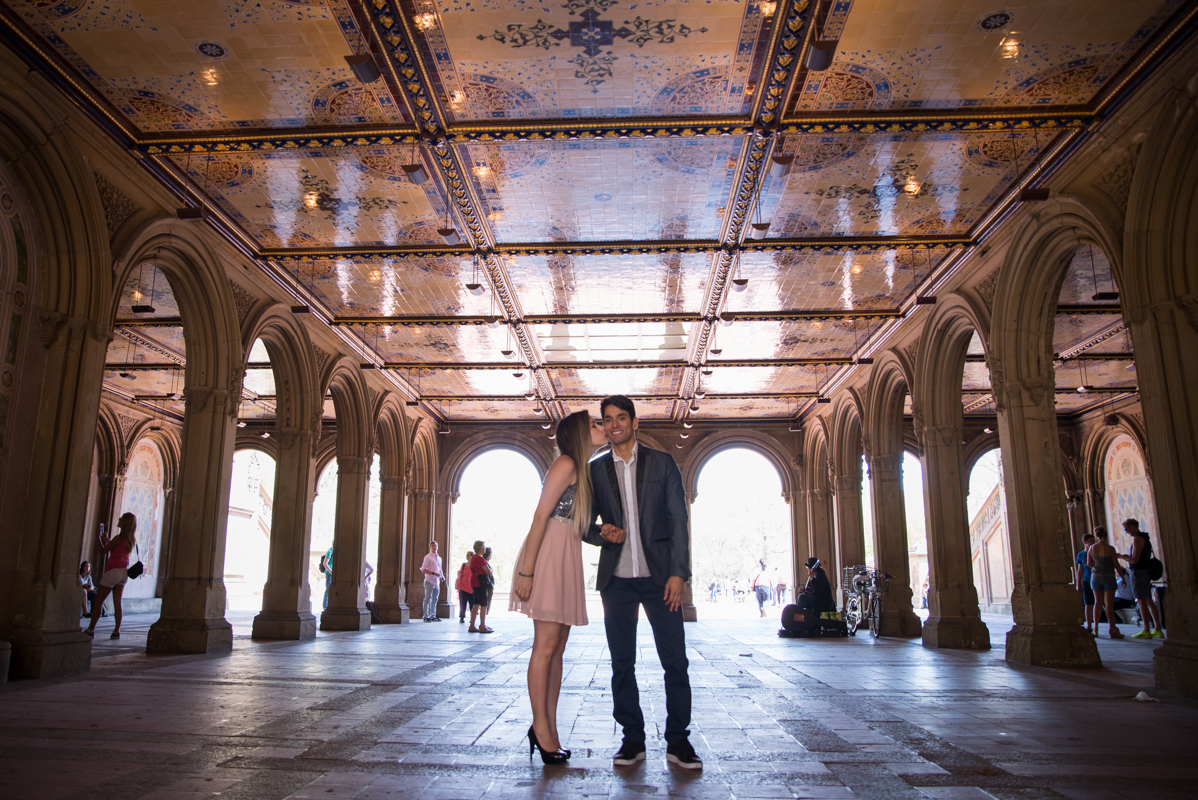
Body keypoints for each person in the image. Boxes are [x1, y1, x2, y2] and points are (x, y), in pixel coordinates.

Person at [583, 395, 701, 770]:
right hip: (616, 582)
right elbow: (580, 522)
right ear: (602, 426)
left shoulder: (663, 463)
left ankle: (678, 740)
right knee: (622, 663)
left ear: (635, 422)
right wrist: (602, 532)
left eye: (621, 418)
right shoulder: (595, 468)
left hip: (660, 579)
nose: (613, 425)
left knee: (675, 662)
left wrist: (679, 573)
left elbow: (678, 520)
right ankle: (632, 739)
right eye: (606, 420)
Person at [511, 409, 605, 765]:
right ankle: (541, 728)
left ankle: (548, 726)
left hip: (566, 550)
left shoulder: (584, 469)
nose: (601, 428)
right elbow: (540, 516)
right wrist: (527, 572)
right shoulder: (565, 463)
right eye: (594, 424)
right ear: (580, 433)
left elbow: (581, 525)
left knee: (557, 647)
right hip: (549, 552)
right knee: (546, 645)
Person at [85, 512, 137, 640]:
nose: (118, 520)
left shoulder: (118, 538)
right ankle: (116, 631)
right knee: (117, 602)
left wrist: (97, 536)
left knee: (98, 601)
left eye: (121, 519)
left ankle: (91, 629)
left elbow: (103, 551)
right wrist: (107, 540)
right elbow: (117, 548)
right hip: (123, 573)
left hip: (112, 572)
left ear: (125, 523)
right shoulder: (131, 539)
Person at [1116, 518, 1164, 639]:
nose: (1126, 532)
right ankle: (1157, 628)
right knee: (1148, 600)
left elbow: (1135, 560)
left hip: (1138, 573)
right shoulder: (1145, 538)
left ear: (1132, 526)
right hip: (1145, 572)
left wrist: (1122, 557)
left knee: (1141, 601)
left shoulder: (1137, 539)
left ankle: (1146, 629)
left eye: (1126, 529)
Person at [1088, 527, 1124, 639]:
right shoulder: (1110, 549)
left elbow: (1089, 564)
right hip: (1108, 577)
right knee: (1109, 604)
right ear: (1106, 535)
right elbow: (1116, 564)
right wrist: (1123, 577)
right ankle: (1112, 629)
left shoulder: (1092, 548)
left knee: (1097, 602)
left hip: (1096, 577)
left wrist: (1097, 567)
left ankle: (1095, 629)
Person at [469, 541, 493, 633]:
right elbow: (487, 571)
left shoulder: (473, 558)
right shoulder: (480, 558)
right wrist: (490, 570)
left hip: (474, 582)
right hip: (481, 583)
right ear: (480, 548)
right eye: (483, 546)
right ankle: (482, 625)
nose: (485, 548)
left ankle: (472, 625)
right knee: (483, 605)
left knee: (476, 604)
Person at [1075, 532, 1096, 634]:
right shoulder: (1081, 555)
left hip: (1097, 579)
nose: (1093, 543)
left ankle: (1097, 624)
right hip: (1087, 580)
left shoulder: (1096, 551)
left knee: (1100, 602)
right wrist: (1078, 583)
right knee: (1088, 602)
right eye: (1091, 541)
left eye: (1094, 541)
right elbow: (1080, 570)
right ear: (1085, 542)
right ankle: (1089, 624)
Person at [420, 540, 444, 622]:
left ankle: (433, 615)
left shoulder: (439, 558)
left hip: (436, 581)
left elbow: (439, 569)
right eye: (432, 546)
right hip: (429, 580)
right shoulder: (427, 557)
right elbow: (423, 569)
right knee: (427, 598)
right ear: (430, 547)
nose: (434, 547)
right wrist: (433, 573)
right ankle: (425, 616)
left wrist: (441, 576)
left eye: (435, 546)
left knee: (435, 598)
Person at [456, 551, 476, 623]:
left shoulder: (475, 566)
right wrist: (458, 586)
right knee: (463, 603)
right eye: (467, 555)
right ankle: (462, 617)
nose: (468, 556)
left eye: (469, 555)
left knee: (472, 604)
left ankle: (472, 617)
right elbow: (460, 575)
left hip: (472, 588)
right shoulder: (464, 565)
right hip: (463, 588)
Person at [319, 546, 333, 610]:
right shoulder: (330, 551)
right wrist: (331, 571)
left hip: (332, 573)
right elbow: (325, 563)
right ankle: (325, 607)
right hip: (329, 573)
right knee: (328, 589)